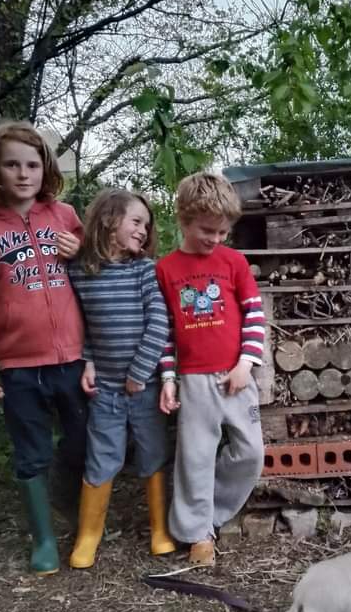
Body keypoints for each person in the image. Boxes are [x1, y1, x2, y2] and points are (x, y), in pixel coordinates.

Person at [0, 120, 87, 575]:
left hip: (72, 359)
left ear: (45, 168)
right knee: (32, 452)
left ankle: (79, 516)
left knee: (83, 440)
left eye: (32, 164)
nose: (24, 173)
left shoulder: (65, 217)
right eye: (12, 164)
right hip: (19, 367)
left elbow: (96, 267)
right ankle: (44, 539)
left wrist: (79, 249)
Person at [156, 172, 265, 566]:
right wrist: (168, 378)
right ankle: (198, 533)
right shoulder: (166, 270)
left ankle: (212, 513)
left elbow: (254, 316)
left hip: (236, 376)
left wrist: (245, 363)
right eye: (207, 231)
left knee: (251, 452)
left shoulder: (233, 262)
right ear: (184, 220)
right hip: (195, 381)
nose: (216, 239)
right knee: (196, 457)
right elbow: (164, 331)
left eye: (223, 232)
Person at [68, 189, 178, 569]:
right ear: (108, 220)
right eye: (136, 221)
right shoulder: (82, 272)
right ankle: (89, 535)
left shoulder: (143, 270)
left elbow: (159, 323)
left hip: (144, 388)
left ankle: (159, 529)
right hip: (106, 392)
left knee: (152, 453)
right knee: (101, 457)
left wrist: (139, 372)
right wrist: (88, 360)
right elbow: (83, 324)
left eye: (147, 226)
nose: (143, 232)